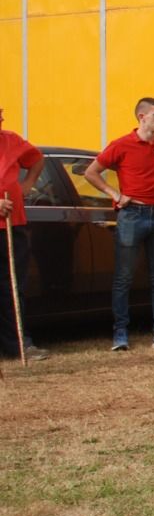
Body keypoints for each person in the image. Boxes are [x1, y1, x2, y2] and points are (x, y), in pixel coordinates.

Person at [85, 97, 154, 350]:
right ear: (141, 117)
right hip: (132, 214)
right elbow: (91, 172)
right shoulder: (122, 145)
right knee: (124, 276)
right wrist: (115, 194)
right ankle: (120, 333)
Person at [0, 104, 47, 362]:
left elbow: (36, 159)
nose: (2, 118)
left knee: (12, 285)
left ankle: (18, 344)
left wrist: (26, 184)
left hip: (12, 225)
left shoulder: (11, 140)